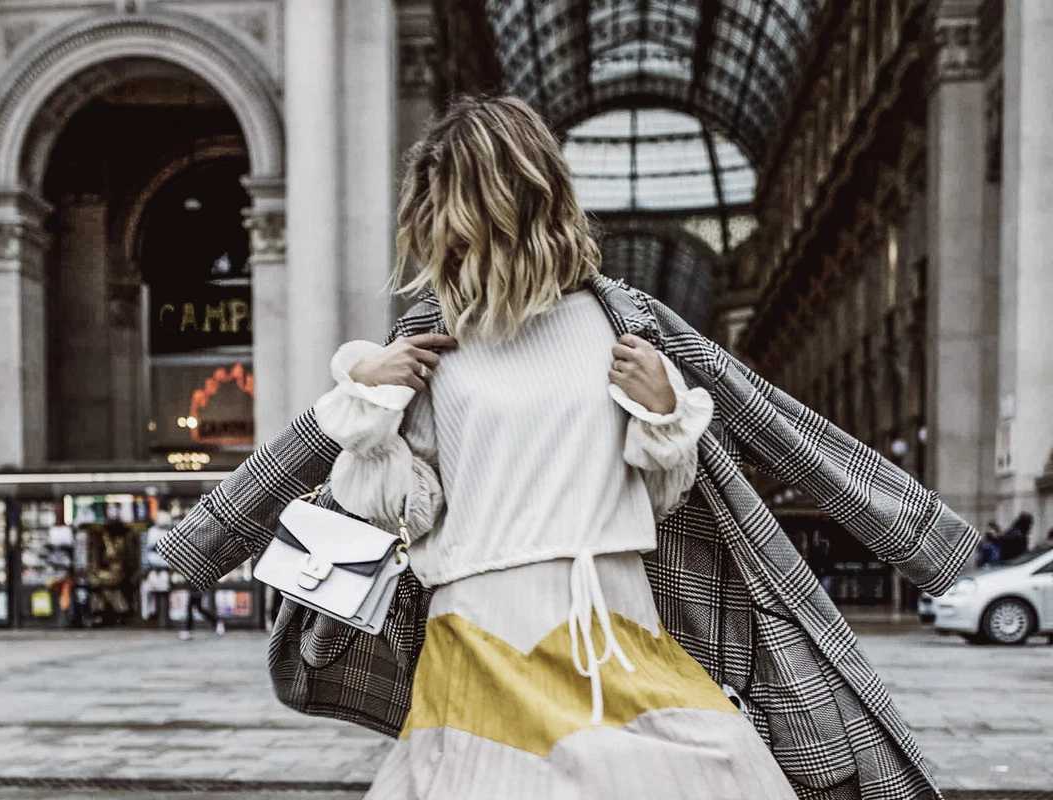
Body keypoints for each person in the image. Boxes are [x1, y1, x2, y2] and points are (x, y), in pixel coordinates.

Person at [157, 96, 979, 798]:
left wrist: (664, 416)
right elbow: (403, 511)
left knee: (728, 774)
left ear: (512, 200)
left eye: (455, 211)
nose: (442, 238)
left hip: (619, 626)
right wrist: (369, 404)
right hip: (477, 632)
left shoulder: (621, 322)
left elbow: (731, 448)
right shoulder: (430, 340)